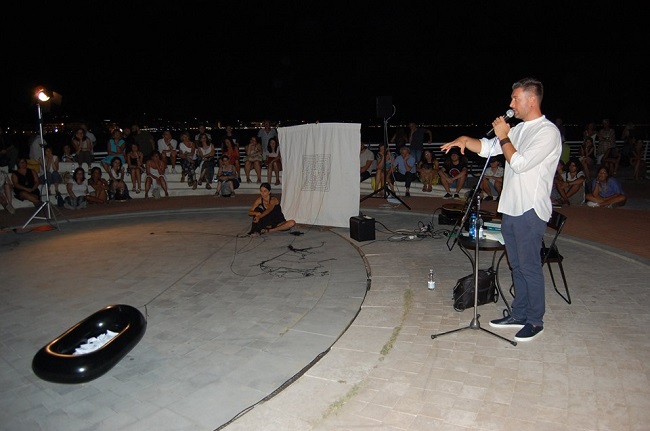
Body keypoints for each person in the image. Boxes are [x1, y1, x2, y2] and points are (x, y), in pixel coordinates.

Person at [441, 77, 562, 342]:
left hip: (530, 210)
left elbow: (519, 163)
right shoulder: (517, 130)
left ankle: (535, 320)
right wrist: (465, 140)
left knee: (529, 267)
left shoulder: (547, 132)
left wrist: (504, 135)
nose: (511, 103)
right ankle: (519, 314)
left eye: (516, 98)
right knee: (516, 265)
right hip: (511, 208)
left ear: (532, 99)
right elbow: (488, 148)